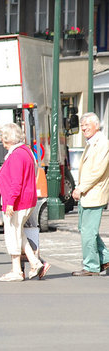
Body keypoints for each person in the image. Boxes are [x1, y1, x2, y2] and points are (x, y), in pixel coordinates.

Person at [0, 123, 48, 281]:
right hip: (26, 200)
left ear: (8, 139)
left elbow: (16, 181)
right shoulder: (26, 151)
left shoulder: (17, 155)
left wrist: (10, 202)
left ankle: (16, 270)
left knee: (12, 234)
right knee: (19, 232)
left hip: (18, 202)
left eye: (3, 140)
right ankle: (35, 262)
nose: (2, 144)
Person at [71, 112, 109, 276]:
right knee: (86, 229)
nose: (84, 128)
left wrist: (81, 188)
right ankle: (106, 258)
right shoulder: (92, 143)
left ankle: (91, 266)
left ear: (97, 125)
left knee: (88, 231)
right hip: (88, 194)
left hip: (94, 194)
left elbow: (97, 171)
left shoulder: (102, 144)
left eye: (87, 124)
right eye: (82, 125)